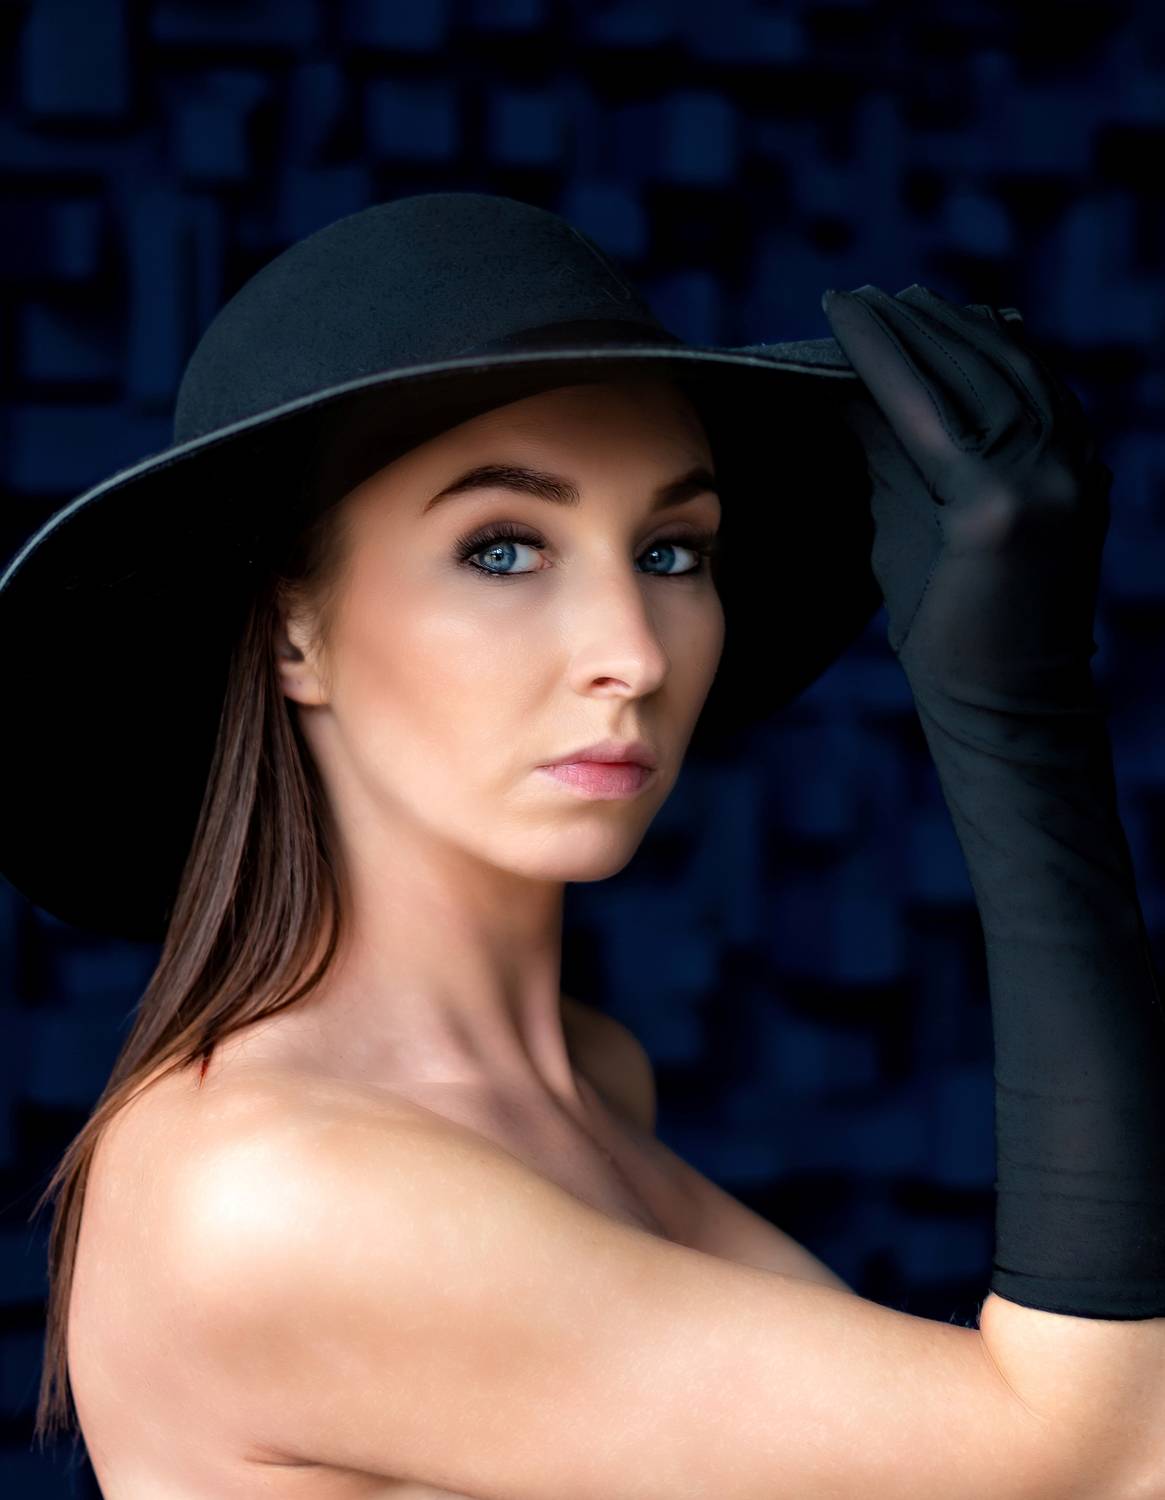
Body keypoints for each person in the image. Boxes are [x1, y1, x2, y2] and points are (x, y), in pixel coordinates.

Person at [4, 192, 1163, 1497]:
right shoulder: (271, 1194)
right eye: (503, 549)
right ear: (293, 631)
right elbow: (1111, 1458)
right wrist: (1017, 720)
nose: (631, 653)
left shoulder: (592, 1078)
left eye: (671, 551)